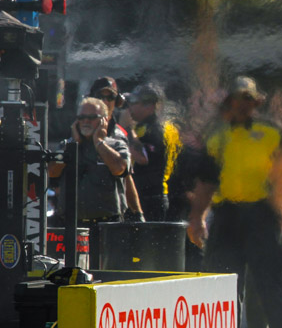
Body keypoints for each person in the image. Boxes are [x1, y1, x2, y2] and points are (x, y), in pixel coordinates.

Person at [187, 76, 282, 328]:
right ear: (229, 102)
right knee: (223, 285)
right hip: (227, 217)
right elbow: (206, 181)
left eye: (248, 99)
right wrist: (197, 218)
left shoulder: (273, 132)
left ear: (256, 102)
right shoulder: (217, 136)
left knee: (272, 284)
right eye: (237, 99)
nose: (242, 104)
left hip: (263, 216)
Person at [47, 97, 132, 263]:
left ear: (104, 120)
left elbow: (119, 168)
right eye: (81, 117)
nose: (86, 121)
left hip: (106, 227)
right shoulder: (67, 146)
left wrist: (99, 142)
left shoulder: (116, 145)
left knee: (104, 271)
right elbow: (51, 172)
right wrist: (73, 145)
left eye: (92, 117)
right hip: (73, 226)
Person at [88, 77, 145, 222]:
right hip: (81, 215)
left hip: (111, 216)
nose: (105, 102)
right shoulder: (79, 129)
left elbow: (126, 176)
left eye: (110, 97)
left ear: (117, 101)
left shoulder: (119, 134)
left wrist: (138, 213)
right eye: (100, 97)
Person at [123, 83, 182, 221]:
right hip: (143, 195)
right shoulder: (143, 126)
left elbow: (143, 158)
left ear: (149, 106)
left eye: (134, 103)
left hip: (152, 198)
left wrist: (127, 129)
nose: (129, 107)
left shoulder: (156, 130)